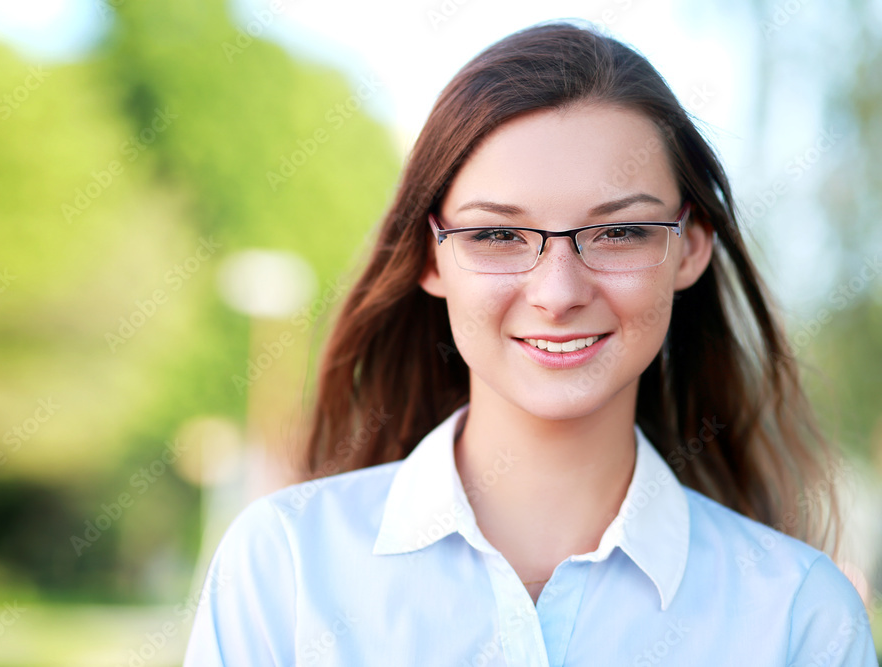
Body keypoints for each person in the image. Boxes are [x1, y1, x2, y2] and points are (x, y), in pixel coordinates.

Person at [184, 21, 879, 666]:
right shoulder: (284, 567)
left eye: (620, 231)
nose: (557, 291)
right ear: (430, 258)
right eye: (496, 234)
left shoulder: (799, 616)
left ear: (690, 247)